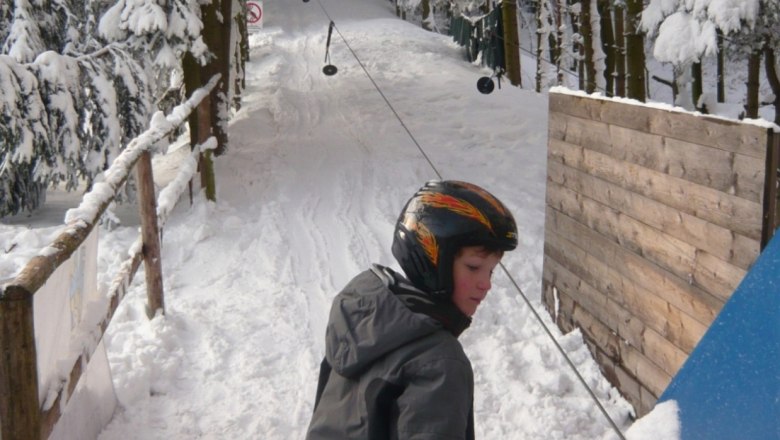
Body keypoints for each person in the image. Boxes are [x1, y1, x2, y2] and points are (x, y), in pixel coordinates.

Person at [305, 180, 518, 440]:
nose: (486, 284)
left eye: (491, 270)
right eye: (474, 267)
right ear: (431, 260)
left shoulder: (361, 315)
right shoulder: (439, 362)